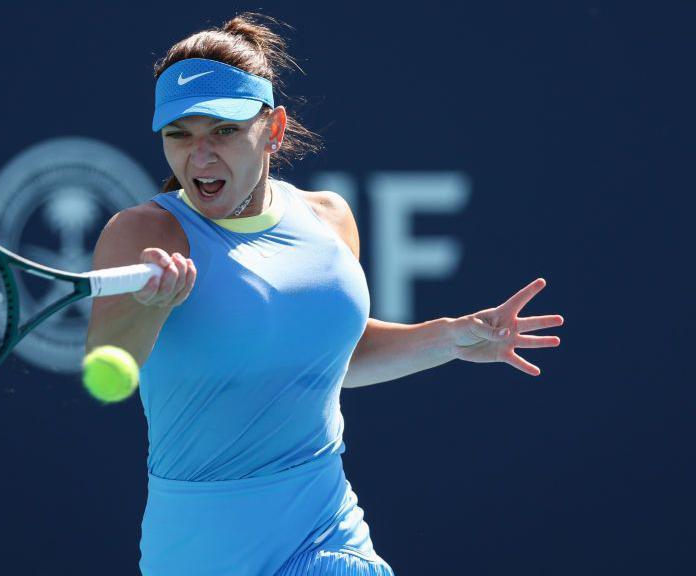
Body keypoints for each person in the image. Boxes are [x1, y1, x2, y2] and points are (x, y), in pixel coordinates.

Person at [86, 13, 563, 576]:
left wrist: (450, 338)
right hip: (202, 548)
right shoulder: (144, 233)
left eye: (224, 131)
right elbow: (111, 361)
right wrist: (151, 308)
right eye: (179, 135)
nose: (201, 157)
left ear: (275, 128)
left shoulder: (329, 218)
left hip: (325, 522)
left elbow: (335, 357)